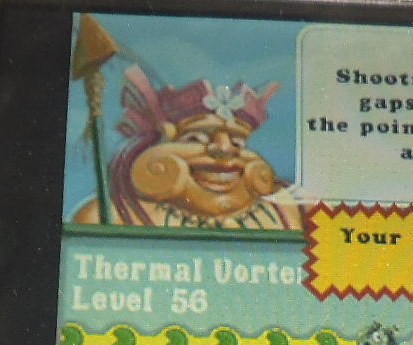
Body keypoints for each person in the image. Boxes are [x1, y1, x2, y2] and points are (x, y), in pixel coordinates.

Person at [73, 67, 303, 229]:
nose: (225, 149)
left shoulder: (287, 211)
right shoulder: (108, 215)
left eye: (237, 143)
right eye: (196, 138)